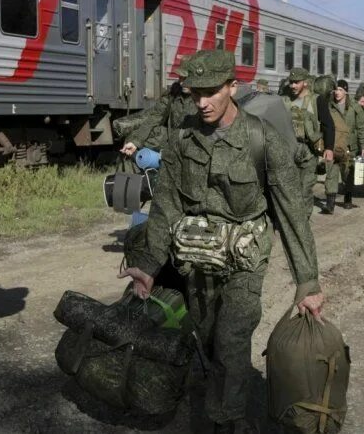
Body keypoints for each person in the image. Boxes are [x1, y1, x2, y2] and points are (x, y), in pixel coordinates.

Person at [119, 49, 323, 433]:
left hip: (246, 257)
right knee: (209, 337)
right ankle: (225, 397)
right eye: (195, 93)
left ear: (233, 87)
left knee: (231, 337)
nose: (202, 102)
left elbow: (292, 214)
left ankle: (227, 421)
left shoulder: (263, 140)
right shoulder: (183, 140)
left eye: (211, 92)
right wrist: (147, 266)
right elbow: (167, 205)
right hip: (198, 255)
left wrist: (307, 283)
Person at [280, 68, 335, 218]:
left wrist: (329, 148)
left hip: (309, 151)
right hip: (288, 150)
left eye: (296, 82)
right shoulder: (284, 99)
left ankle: (303, 220)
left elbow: (328, 125)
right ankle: (292, 219)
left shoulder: (316, 100)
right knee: (289, 189)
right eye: (291, 82)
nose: (292, 86)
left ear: (305, 82)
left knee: (305, 189)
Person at [322, 79, 364, 213]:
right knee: (331, 173)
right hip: (333, 145)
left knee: (347, 174)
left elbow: (362, 128)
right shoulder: (329, 106)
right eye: (336, 89)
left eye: (341, 90)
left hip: (349, 147)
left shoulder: (355, 107)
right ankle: (330, 204)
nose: (337, 92)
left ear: (346, 91)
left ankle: (348, 198)